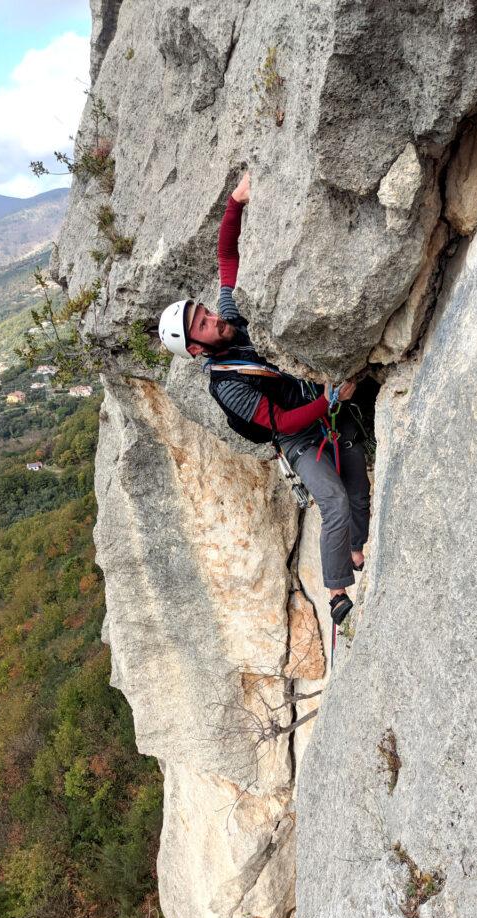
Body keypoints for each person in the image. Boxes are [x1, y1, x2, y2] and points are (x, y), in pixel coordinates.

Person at [158, 171, 370, 627]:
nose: (213, 319)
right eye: (202, 325)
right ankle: (337, 593)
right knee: (332, 498)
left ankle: (355, 548)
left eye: (206, 313)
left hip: (320, 405)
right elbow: (282, 422)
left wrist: (236, 200)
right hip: (298, 435)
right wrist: (330, 399)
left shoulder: (232, 321)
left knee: (356, 486)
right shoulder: (226, 386)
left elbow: (227, 259)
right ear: (196, 349)